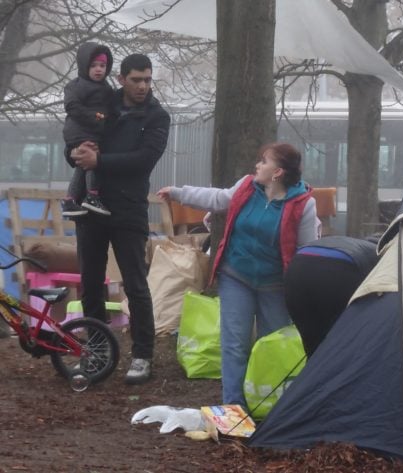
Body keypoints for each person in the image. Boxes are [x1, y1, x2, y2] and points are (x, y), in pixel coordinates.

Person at [157, 142, 319, 407]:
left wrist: (305, 291)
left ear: (277, 172)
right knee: (234, 345)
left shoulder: (303, 204)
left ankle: (269, 404)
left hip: (276, 285)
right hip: (236, 276)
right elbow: (216, 198)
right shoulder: (246, 186)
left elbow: (307, 251)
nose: (257, 165)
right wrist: (178, 193)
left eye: (263, 161)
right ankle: (233, 407)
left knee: (272, 347)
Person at [69, 53, 171, 385]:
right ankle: (97, 350)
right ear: (121, 79)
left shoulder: (157, 117)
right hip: (90, 208)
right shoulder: (103, 103)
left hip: (128, 209)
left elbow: (143, 161)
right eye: (136, 79)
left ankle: (142, 355)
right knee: (91, 284)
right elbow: (76, 126)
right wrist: (71, 151)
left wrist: (98, 161)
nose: (143, 86)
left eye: (147, 79)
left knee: (136, 284)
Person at [284, 235, 379, 357]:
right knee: (342, 344)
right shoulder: (383, 256)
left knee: (312, 347)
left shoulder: (354, 243)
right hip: (339, 267)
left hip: (297, 265)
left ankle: (312, 372)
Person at [61, 42, 115, 217]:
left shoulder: (106, 89)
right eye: (93, 66)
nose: (99, 69)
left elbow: (108, 111)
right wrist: (96, 117)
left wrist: (104, 117)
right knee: (92, 160)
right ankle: (92, 195)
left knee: (82, 165)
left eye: (102, 65)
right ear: (85, 66)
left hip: (92, 131)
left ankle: (70, 200)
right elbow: (72, 106)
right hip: (79, 131)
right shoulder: (76, 86)